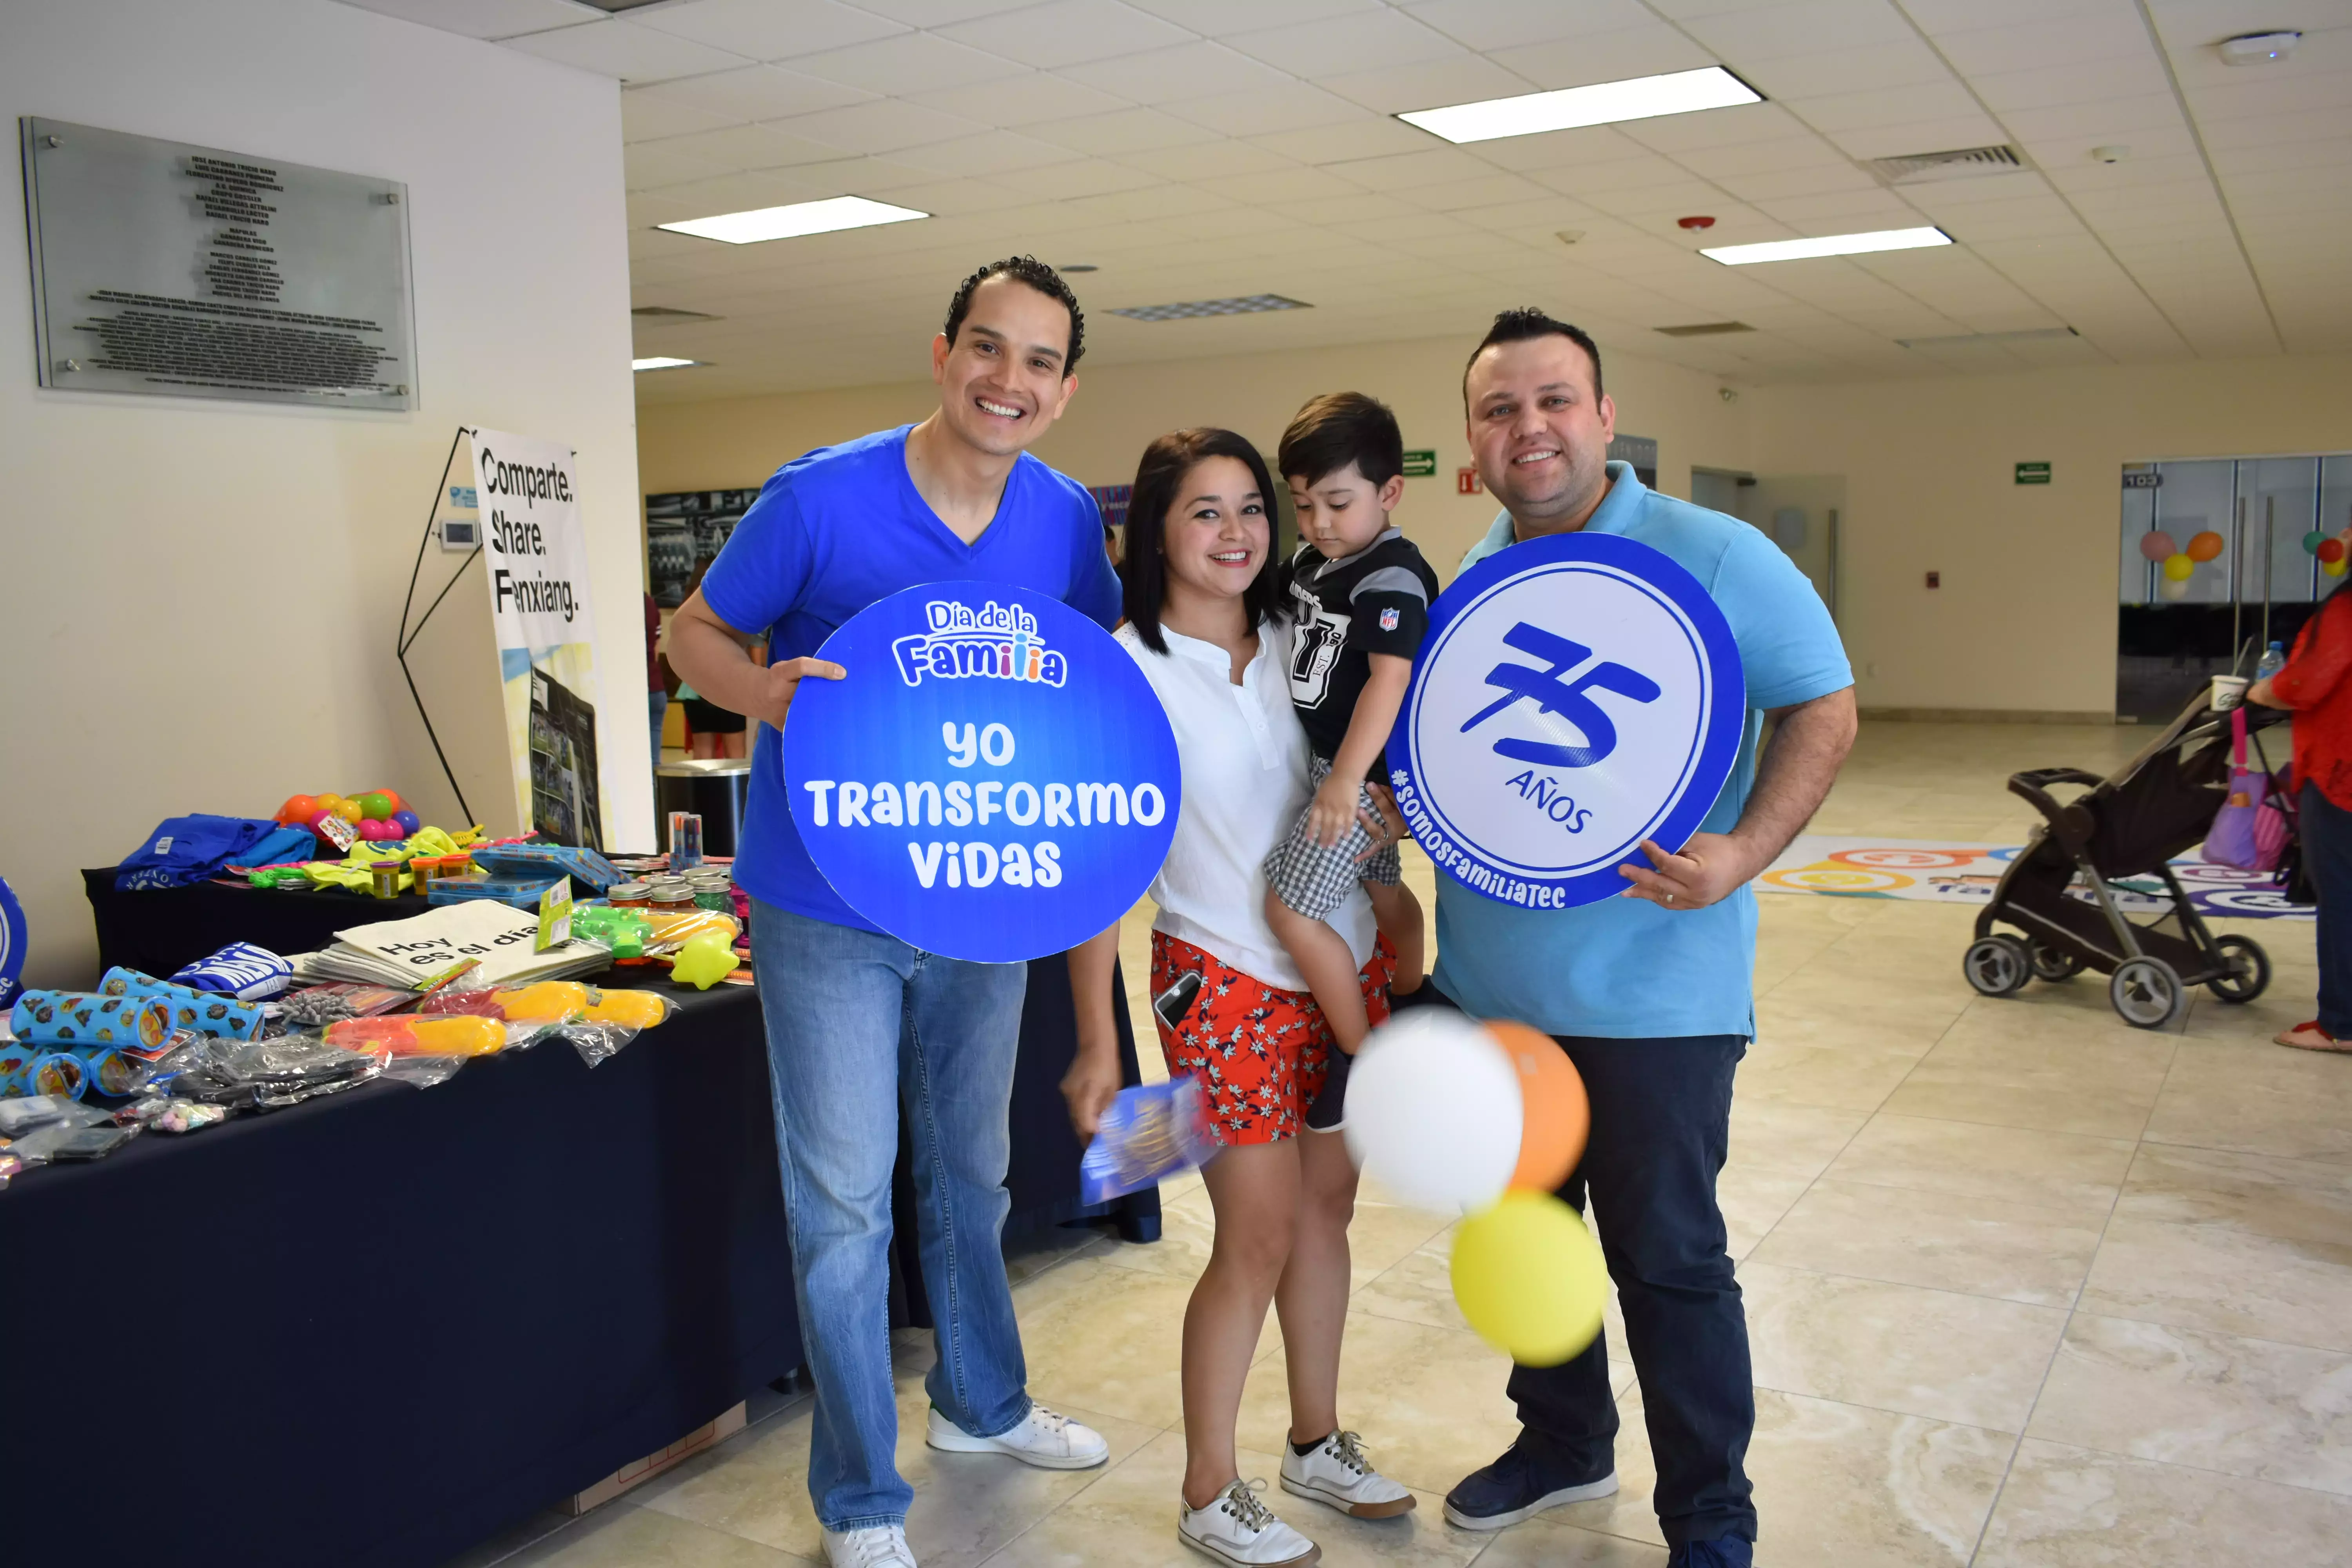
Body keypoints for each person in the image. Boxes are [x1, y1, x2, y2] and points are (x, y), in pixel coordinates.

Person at [665, 257, 1118, 1568]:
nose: (1009, 381)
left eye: (1039, 362)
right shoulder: (820, 497)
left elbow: (1087, 683)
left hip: (983, 898)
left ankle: (982, 1404)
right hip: (825, 905)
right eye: (989, 349)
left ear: (1066, 388)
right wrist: (765, 696)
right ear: (942, 352)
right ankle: (861, 1497)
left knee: (970, 1176)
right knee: (845, 1205)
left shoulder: (1064, 521)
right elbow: (693, 636)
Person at [1431, 310, 1857, 1568]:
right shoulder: (1475, 571)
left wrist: (1740, 853)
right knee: (1526, 1239)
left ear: (1604, 417)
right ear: (1470, 438)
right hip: (1491, 990)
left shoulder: (1711, 552)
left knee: (1666, 1259)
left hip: (1656, 999)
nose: (1529, 429)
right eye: (1500, 410)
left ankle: (1708, 1516)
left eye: (1553, 400)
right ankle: (1561, 1441)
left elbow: (1821, 705)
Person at [1063, 428, 1416, 1568]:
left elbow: (1359, 768)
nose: (1236, 533)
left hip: (1342, 961)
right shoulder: (1122, 667)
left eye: (1249, 509)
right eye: (1204, 512)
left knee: (1326, 1215)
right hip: (1214, 980)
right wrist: (1095, 1046)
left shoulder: (1298, 635)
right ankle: (1209, 1486)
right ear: (1155, 530)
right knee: (1253, 1235)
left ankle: (1314, 1439)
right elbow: (1095, 872)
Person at [1260, 394, 1436, 1108]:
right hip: (1333, 766)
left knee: (1290, 911)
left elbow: (1389, 682)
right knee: (1383, 889)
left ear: (1389, 492)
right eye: (1303, 505)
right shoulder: (1311, 561)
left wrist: (1347, 781)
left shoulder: (1390, 576)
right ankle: (1416, 995)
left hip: (1357, 775)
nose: (1318, 522)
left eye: (1336, 502)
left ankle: (1362, 1054)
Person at [2246, 585, 2352, 1051]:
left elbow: (2304, 683)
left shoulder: (2347, 606)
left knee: (2342, 891)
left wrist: (2261, 689)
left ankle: (2342, 1023)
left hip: (2340, 769)